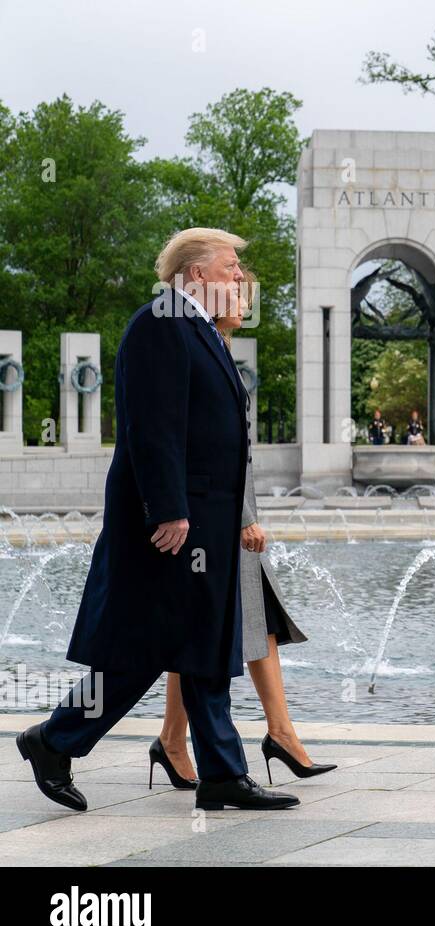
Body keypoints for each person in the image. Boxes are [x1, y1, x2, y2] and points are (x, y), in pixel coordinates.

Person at [15, 228, 299, 812]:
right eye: (230, 265)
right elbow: (152, 426)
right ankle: (53, 740)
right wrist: (168, 508)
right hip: (173, 523)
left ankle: (220, 772)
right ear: (195, 274)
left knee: (198, 646)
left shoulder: (199, 329)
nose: (240, 275)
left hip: (204, 520)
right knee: (146, 649)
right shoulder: (160, 323)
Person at [152, 271, 336, 788]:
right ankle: (256, 739)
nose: (243, 304)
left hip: (225, 518)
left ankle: (258, 734)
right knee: (212, 627)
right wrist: (246, 519)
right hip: (218, 522)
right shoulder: (191, 344)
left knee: (245, 624)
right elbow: (204, 447)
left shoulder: (217, 350)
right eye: (238, 294)